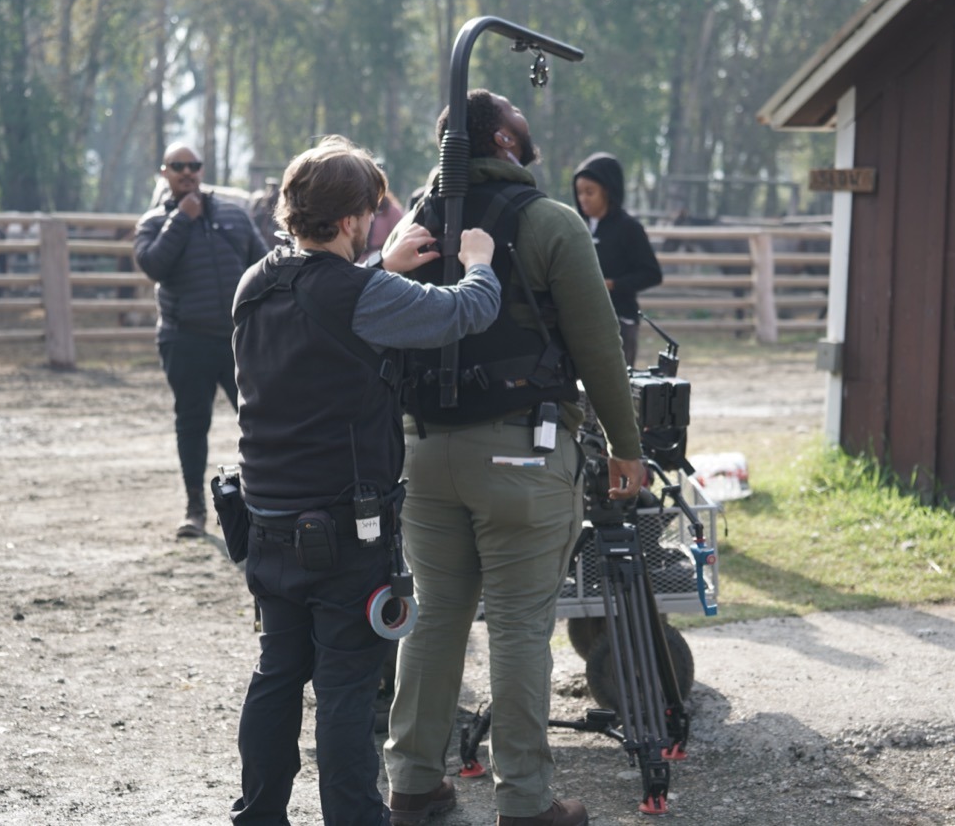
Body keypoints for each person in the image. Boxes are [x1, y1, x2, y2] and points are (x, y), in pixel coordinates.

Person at [381, 90, 646, 826]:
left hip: (424, 454)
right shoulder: (550, 221)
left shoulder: (413, 224)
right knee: (520, 627)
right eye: (512, 111)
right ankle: (526, 802)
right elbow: (599, 347)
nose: (524, 118)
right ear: (502, 139)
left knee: (433, 619)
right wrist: (626, 448)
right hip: (522, 458)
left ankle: (412, 785)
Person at [229, 135, 500, 826]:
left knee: (276, 675)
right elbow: (464, 312)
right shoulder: (362, 293)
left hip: (266, 523)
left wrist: (381, 265)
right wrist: (479, 263)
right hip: (346, 534)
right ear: (351, 218)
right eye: (373, 213)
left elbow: (323, 302)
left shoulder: (255, 283)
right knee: (346, 690)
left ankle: (258, 815)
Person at [134, 141, 268, 539]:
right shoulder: (153, 223)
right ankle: (195, 508)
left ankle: (263, 503)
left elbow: (262, 266)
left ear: (201, 169)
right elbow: (154, 265)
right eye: (178, 166)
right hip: (185, 340)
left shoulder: (234, 216)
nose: (187, 172)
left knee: (260, 421)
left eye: (193, 165)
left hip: (237, 341)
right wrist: (182, 219)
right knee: (192, 423)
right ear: (165, 172)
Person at [572, 152, 663, 367]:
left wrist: (612, 284)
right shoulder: (577, 226)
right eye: (579, 192)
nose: (583, 199)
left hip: (620, 320)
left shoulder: (629, 228)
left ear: (608, 190)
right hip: (582, 320)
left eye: (590, 192)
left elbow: (652, 274)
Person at [359, 191, 405, 264]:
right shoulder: (360, 208)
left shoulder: (393, 212)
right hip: (359, 259)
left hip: (380, 258)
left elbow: (398, 241)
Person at [250, 177, 282, 246]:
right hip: (263, 222)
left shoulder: (277, 197)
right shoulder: (261, 198)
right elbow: (254, 212)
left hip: (272, 222)